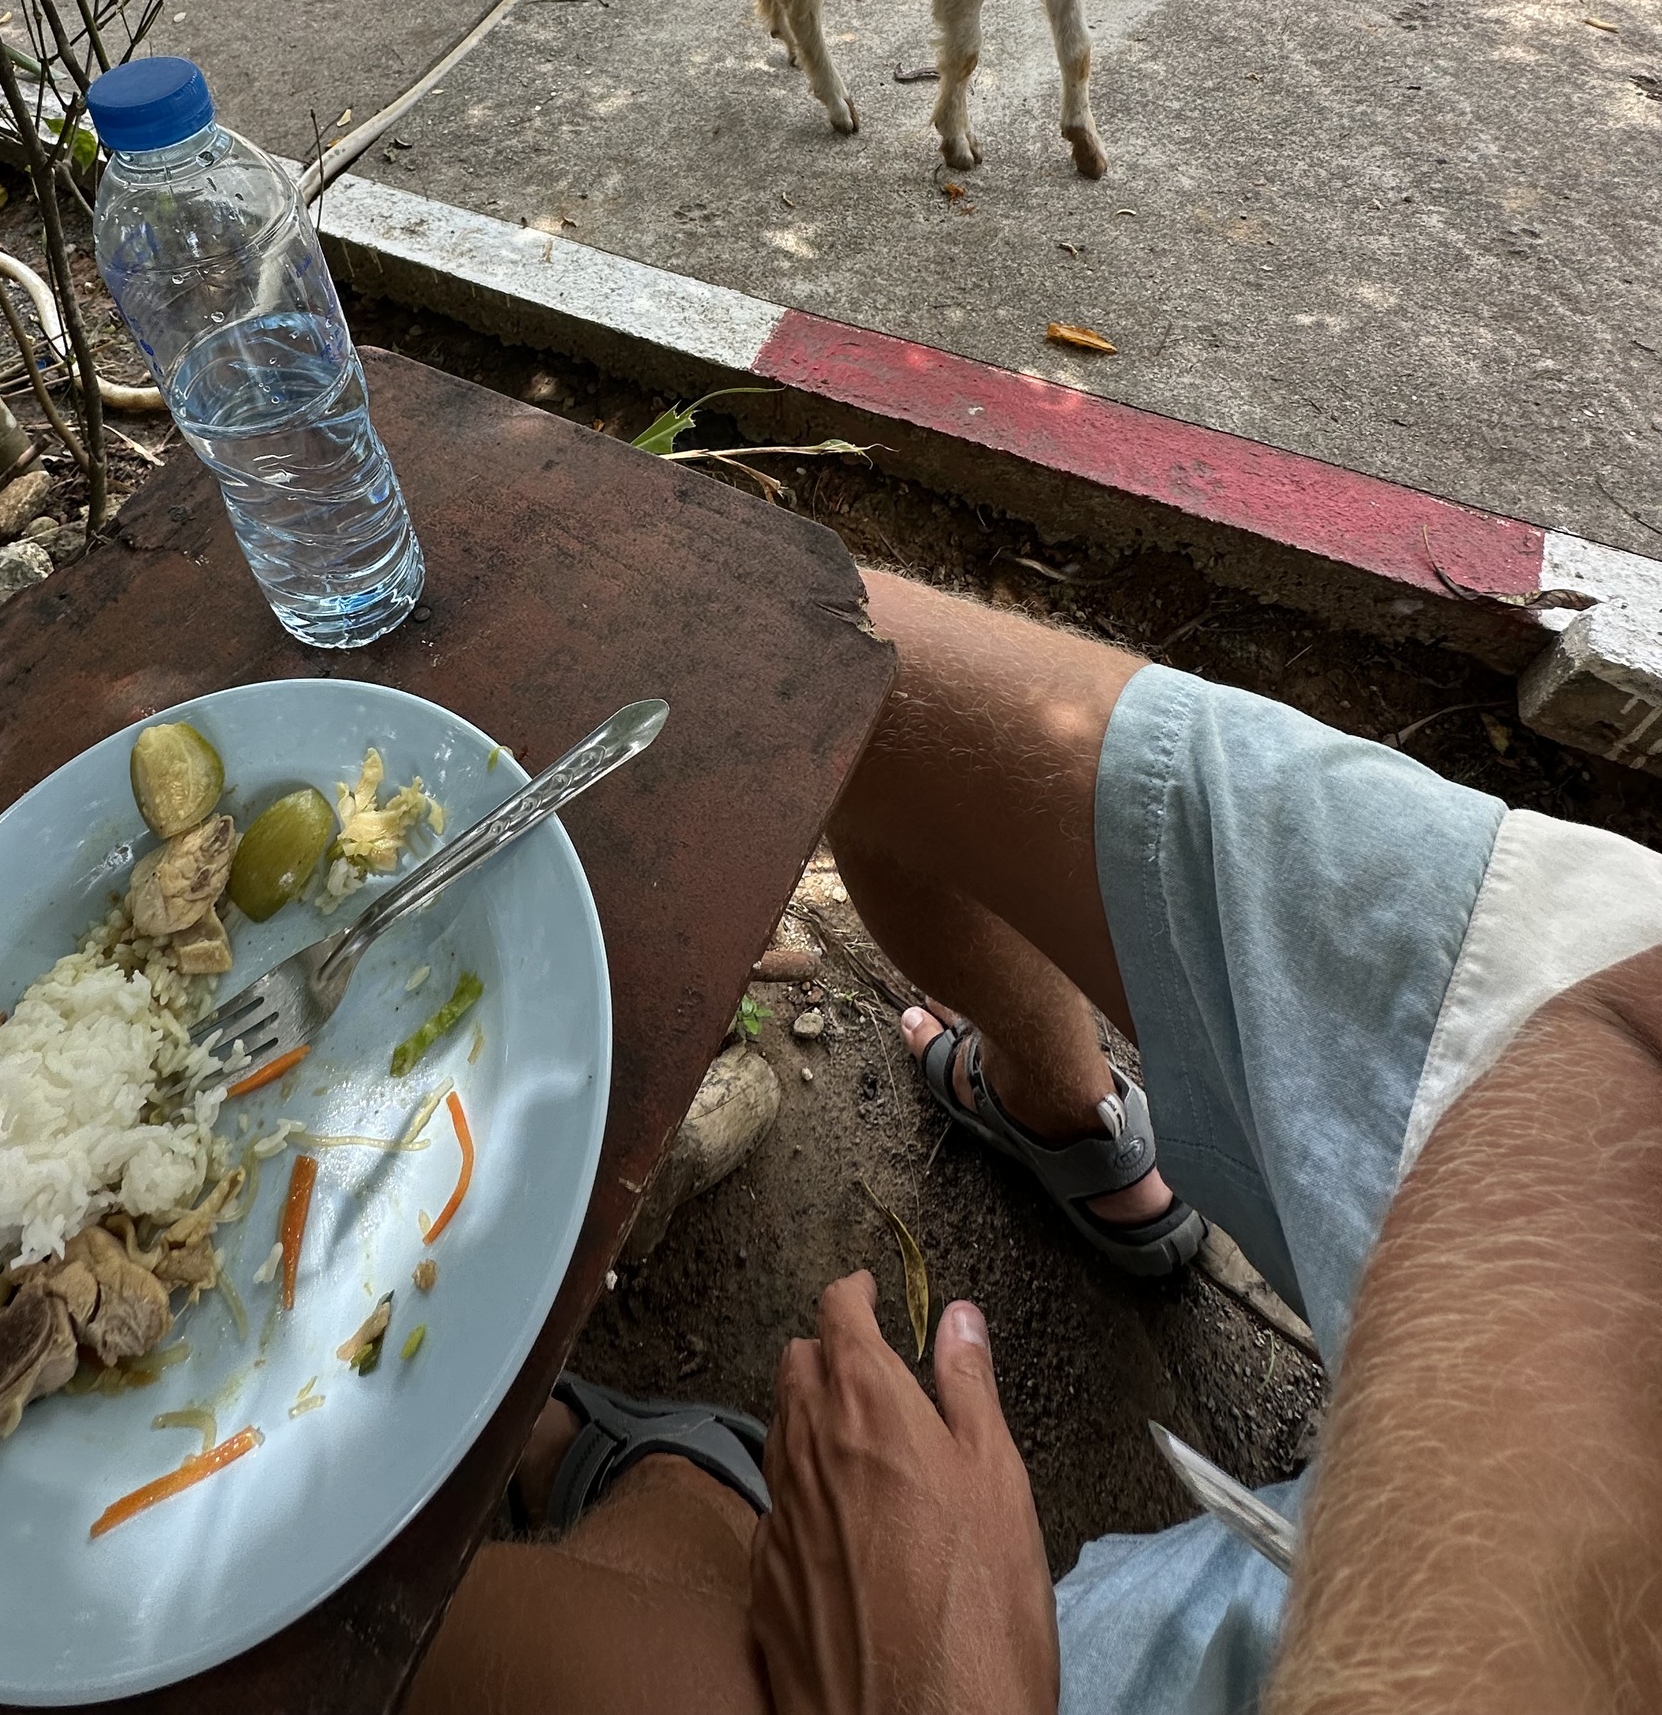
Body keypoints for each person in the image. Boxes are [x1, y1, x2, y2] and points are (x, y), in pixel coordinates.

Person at [406, 569, 1662, 1715]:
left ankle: (674, 1497)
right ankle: (1068, 1117)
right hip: (1608, 1100)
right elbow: (1622, 1020)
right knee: (824, 658)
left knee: (467, 1646)